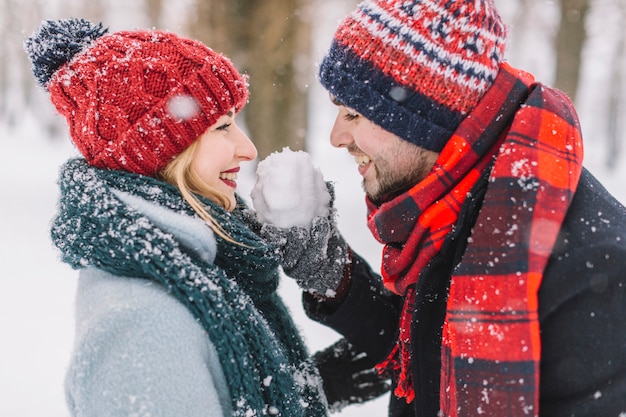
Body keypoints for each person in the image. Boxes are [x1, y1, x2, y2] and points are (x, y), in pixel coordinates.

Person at [256, 1, 626, 416]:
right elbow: (430, 351)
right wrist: (335, 276)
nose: (336, 136)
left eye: (353, 114)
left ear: (423, 119)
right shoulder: (458, 208)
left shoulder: (596, 270)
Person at [24, 18, 334, 417]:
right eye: (222, 127)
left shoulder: (201, 264)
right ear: (160, 151)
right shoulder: (141, 326)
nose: (248, 149)